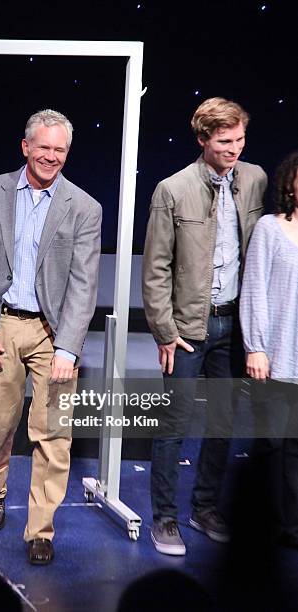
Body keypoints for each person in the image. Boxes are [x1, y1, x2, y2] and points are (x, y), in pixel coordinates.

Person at [0, 109, 102, 564]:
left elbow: (84, 283)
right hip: (3, 325)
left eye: (60, 150)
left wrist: (68, 348)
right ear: (26, 147)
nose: (52, 157)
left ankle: (41, 529)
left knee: (54, 433)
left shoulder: (84, 207)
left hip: (52, 332)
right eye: (44, 147)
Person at [142, 97, 267, 555]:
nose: (234, 148)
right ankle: (165, 518)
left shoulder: (254, 180)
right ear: (202, 140)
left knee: (222, 422)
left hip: (235, 325)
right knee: (174, 423)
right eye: (224, 141)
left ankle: (205, 505)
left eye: (240, 139)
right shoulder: (172, 190)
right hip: (188, 330)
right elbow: (155, 267)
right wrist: (164, 330)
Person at [240, 150, 298, 548]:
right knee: (270, 444)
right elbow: (255, 288)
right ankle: (262, 523)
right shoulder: (270, 229)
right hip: (277, 356)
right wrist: (256, 346)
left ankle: (290, 527)